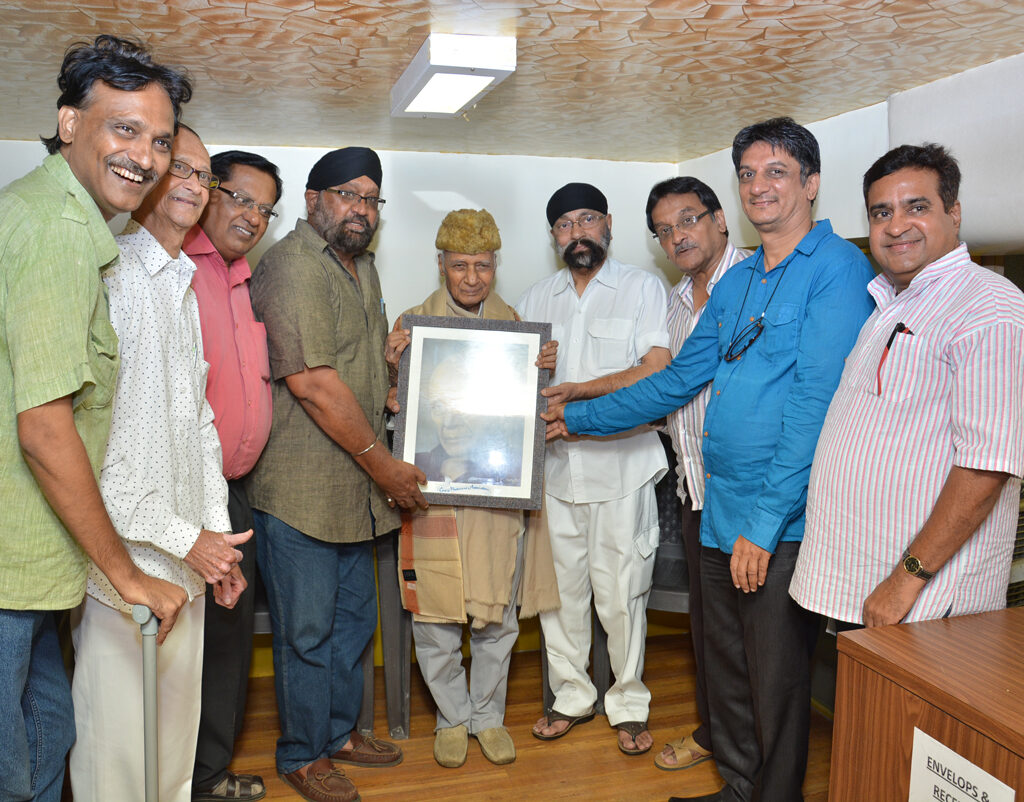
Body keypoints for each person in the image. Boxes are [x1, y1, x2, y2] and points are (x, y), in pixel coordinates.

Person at [545, 118, 876, 802]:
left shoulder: (839, 269)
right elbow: (673, 385)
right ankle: (738, 784)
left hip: (776, 521)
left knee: (776, 675)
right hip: (717, 510)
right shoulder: (741, 280)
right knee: (724, 666)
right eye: (749, 174)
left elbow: (814, 409)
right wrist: (571, 419)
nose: (761, 186)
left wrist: (763, 522)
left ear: (811, 184)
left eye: (777, 172)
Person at [0, 34, 191, 802]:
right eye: (124, 128)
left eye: (159, 140)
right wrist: (128, 574)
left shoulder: (75, 226)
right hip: (11, 566)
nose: (144, 155)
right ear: (70, 123)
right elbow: (45, 429)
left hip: (40, 566)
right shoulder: (52, 229)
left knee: (48, 733)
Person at [70, 125, 251, 802]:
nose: (192, 184)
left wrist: (216, 546)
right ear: (146, 176)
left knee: (173, 756)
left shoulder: (183, 286)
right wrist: (190, 541)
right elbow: (99, 459)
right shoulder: (113, 276)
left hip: (188, 562)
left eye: (203, 176)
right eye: (179, 168)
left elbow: (198, 428)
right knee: (118, 760)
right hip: (123, 565)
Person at [248, 147, 423, 802]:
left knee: (353, 624)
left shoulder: (362, 266)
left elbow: (352, 362)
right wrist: (387, 465)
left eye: (372, 199)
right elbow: (315, 383)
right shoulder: (294, 265)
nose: (361, 209)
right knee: (308, 630)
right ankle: (302, 753)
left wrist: (393, 376)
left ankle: (341, 732)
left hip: (357, 494)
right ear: (313, 200)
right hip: (303, 491)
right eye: (348, 195)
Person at [790, 144, 1024, 628]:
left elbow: (986, 468)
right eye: (882, 212)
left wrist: (906, 579)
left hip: (923, 599)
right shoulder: (891, 302)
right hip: (865, 581)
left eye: (916, 207)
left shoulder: (990, 307)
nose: (896, 225)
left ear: (953, 213)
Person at [385, 208, 560, 769]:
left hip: (495, 499)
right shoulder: (410, 328)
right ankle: (452, 717)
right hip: (430, 496)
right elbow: (388, 412)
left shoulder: (517, 327)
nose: (471, 278)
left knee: (496, 617)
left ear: (494, 266)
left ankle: (487, 716)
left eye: (482, 266)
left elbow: (525, 421)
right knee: (434, 618)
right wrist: (393, 381)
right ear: (440, 265)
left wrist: (541, 372)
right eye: (459, 265)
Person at [517, 182, 671, 756]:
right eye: (564, 224)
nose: (577, 232)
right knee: (561, 598)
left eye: (586, 220)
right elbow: (516, 383)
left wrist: (577, 395)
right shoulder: (535, 299)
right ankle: (572, 697)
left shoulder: (642, 288)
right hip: (555, 474)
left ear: (607, 223)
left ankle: (628, 704)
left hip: (622, 470)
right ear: (554, 235)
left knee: (623, 595)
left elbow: (654, 371)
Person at [185, 150, 282, 802]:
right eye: (241, 198)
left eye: (264, 208)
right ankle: (173, 780)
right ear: (207, 192)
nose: (252, 216)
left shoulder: (245, 279)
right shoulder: (171, 269)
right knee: (179, 645)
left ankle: (208, 777)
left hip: (235, 492)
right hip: (185, 495)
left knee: (226, 640)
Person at [645, 177, 751, 773]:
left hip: (754, 500)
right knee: (711, 633)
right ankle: (716, 738)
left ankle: (752, 765)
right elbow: (669, 393)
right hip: (695, 495)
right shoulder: (677, 301)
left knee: (755, 644)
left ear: (720, 221)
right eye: (665, 229)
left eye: (688, 219)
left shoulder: (759, 284)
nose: (677, 235)